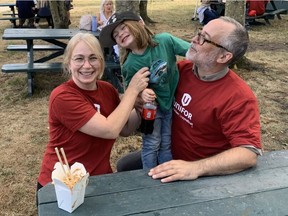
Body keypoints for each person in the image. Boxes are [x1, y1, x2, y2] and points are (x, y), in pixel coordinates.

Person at [117, 16, 263, 182]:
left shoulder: (238, 97)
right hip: (166, 151)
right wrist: (136, 103)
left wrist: (195, 168)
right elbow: (151, 101)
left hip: (199, 171)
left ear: (223, 57)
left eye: (204, 39)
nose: (193, 39)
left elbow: (248, 153)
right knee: (124, 166)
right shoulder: (182, 70)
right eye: (199, 33)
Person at [37, 32, 150, 190]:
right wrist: (132, 91)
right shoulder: (62, 96)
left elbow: (124, 128)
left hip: (99, 180)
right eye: (79, 59)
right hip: (63, 185)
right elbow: (110, 129)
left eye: (93, 58)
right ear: (69, 63)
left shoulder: (107, 90)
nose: (87, 65)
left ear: (101, 62)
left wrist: (138, 107)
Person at [100, 11, 190, 169]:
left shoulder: (165, 41)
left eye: (122, 27)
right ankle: (147, 178)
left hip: (171, 104)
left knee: (166, 142)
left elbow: (191, 51)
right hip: (152, 110)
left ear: (139, 22)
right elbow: (131, 90)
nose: (120, 34)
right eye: (115, 34)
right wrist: (142, 93)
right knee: (152, 143)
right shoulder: (130, 64)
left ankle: (166, 172)